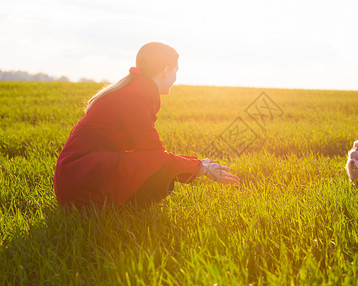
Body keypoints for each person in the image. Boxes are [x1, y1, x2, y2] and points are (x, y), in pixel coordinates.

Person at [54, 42, 240, 211]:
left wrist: (198, 165)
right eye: (176, 71)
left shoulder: (137, 89)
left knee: (159, 170)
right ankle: (115, 210)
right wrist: (199, 167)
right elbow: (155, 155)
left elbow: (150, 152)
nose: (175, 77)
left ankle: (120, 210)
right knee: (158, 170)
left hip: (77, 177)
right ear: (166, 70)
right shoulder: (134, 96)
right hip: (77, 178)